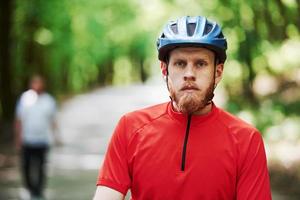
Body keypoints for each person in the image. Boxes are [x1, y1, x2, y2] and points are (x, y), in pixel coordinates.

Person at [93, 16, 272, 200]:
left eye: (200, 64)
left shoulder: (246, 140)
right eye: (180, 63)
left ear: (217, 72)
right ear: (165, 70)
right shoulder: (130, 128)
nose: (189, 74)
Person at [14, 75, 59, 200]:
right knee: (26, 166)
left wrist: (57, 136)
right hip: (27, 140)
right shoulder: (24, 99)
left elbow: (53, 120)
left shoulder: (49, 101)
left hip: (43, 140)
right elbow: (18, 120)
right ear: (31, 84)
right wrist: (17, 139)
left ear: (43, 85)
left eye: (39, 83)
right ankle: (29, 188)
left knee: (41, 167)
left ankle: (38, 191)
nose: (37, 85)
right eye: (35, 83)